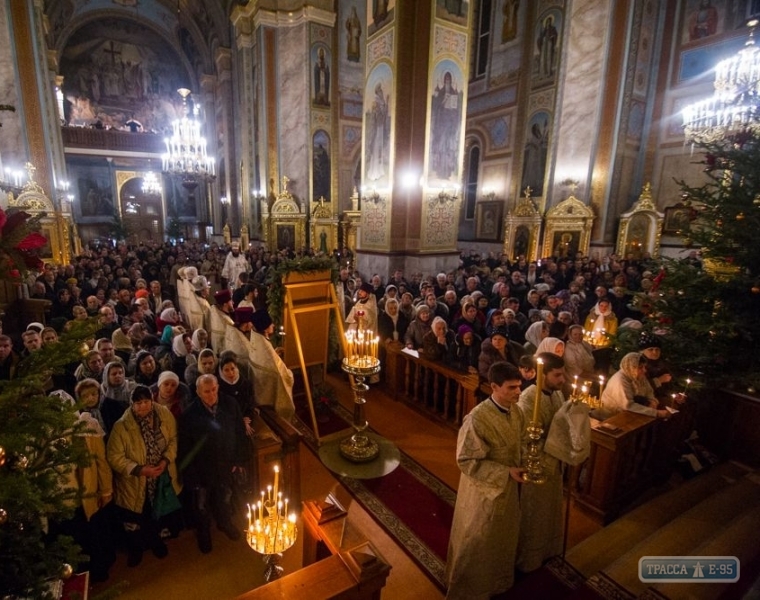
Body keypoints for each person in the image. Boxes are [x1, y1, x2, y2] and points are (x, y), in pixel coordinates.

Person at [445, 362, 526, 599]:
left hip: (508, 489)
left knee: (501, 536)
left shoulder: (516, 411)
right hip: (482, 492)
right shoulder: (477, 419)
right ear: (494, 386)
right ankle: (470, 589)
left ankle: (497, 581)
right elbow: (466, 460)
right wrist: (504, 472)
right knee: (478, 538)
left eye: (519, 386)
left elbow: (519, 441)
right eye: (512, 388)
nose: (518, 392)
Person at [107, 385, 181, 566]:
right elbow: (114, 456)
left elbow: (173, 439)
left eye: (146, 401)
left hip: (160, 476)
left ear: (152, 400)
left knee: (156, 513)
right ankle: (136, 550)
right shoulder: (122, 426)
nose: (143, 407)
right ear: (132, 404)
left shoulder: (163, 415)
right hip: (135, 483)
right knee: (135, 520)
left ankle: (156, 542)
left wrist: (165, 461)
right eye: (138, 403)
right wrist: (139, 469)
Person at [179, 374, 250, 554]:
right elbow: (185, 448)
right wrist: (191, 475)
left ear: (218, 387)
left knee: (224, 498)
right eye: (206, 391)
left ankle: (225, 523)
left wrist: (238, 460)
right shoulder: (189, 414)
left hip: (226, 465)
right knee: (201, 505)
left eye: (213, 390)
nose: (211, 395)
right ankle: (204, 532)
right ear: (198, 392)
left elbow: (239, 433)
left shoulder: (230, 404)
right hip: (201, 469)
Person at [516, 352, 566, 572]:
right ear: (543, 375)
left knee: (551, 508)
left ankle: (548, 549)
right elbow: (526, 437)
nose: (562, 380)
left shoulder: (557, 394)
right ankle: (529, 558)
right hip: (536, 462)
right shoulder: (528, 398)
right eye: (557, 375)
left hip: (554, 460)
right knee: (535, 512)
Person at [597, 352, 670, 420]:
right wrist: (656, 413)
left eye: (644, 367)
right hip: (612, 417)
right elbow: (628, 405)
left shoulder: (637, 375)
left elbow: (649, 391)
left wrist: (653, 401)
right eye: (640, 367)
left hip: (630, 413)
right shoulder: (620, 380)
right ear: (632, 367)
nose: (644, 370)